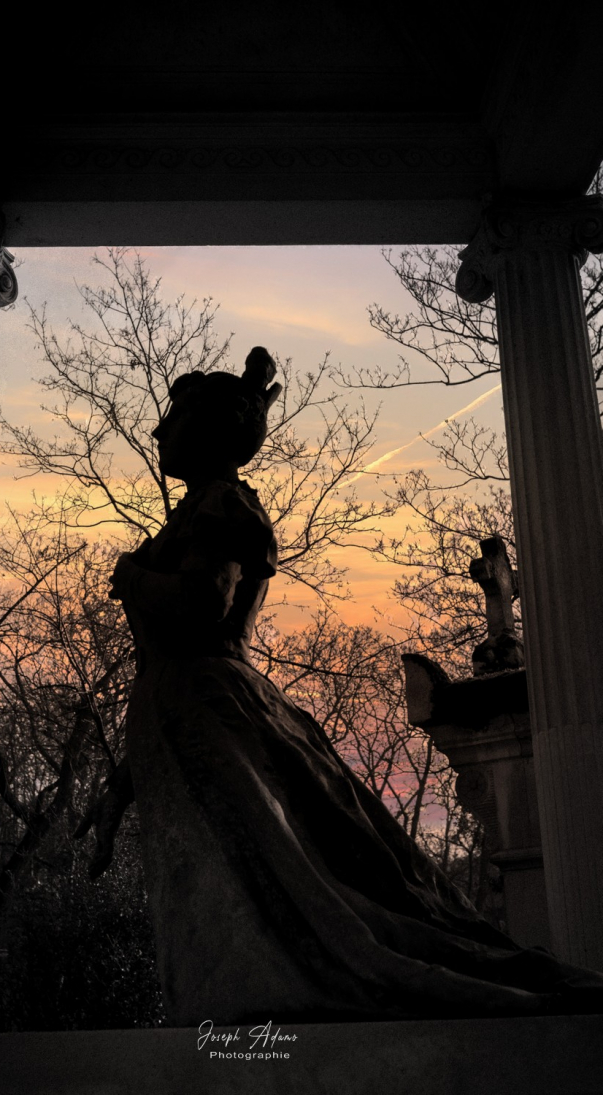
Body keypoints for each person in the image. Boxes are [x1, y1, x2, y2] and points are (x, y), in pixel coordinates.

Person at [104, 347, 603, 1026]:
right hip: (183, 716)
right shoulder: (195, 512)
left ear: (212, 428)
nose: (160, 432)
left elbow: (201, 607)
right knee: (238, 877)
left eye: (175, 416)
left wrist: (133, 580)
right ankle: (237, 1012)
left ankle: (271, 1013)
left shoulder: (222, 505)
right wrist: (124, 780)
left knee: (285, 881)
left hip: (212, 708)